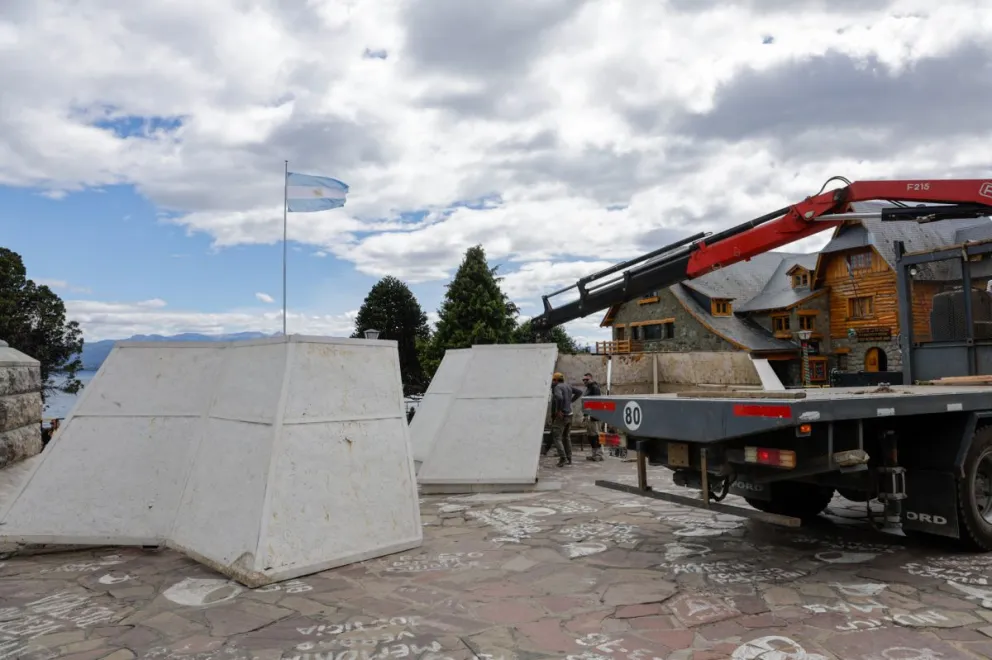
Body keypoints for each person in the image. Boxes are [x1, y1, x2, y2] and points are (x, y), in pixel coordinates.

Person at [549, 372, 582, 467]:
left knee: (557, 437)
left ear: (555, 380)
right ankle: (569, 458)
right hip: (570, 414)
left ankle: (562, 458)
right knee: (566, 437)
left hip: (562, 416)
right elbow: (579, 392)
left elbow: (559, 397)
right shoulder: (568, 386)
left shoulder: (557, 387)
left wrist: (559, 410)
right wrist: (570, 401)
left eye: (553, 380)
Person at [581, 373, 605, 461]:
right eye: (583, 380)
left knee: (596, 435)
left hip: (594, 416)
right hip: (589, 415)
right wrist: (585, 415)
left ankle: (599, 454)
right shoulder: (589, 388)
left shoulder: (595, 388)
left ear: (591, 379)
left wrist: (593, 415)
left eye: (586, 380)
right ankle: (595, 454)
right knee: (591, 436)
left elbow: (597, 402)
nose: (584, 381)